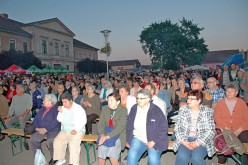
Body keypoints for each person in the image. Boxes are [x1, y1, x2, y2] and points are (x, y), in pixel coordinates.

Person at [126, 89, 168, 165]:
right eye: (137, 98)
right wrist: (129, 140)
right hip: (138, 138)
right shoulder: (134, 108)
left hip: (154, 140)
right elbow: (129, 126)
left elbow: (163, 128)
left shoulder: (156, 110)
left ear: (148, 99)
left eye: (141, 98)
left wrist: (154, 141)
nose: (139, 100)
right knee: (131, 159)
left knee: (153, 160)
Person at [173, 90, 215, 165]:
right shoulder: (183, 110)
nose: (188, 100)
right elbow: (177, 127)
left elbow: (211, 131)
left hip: (201, 139)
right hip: (185, 138)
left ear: (199, 101)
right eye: (188, 98)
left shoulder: (207, 112)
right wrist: (184, 142)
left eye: (191, 99)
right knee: (182, 156)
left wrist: (197, 143)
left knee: (197, 158)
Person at [214, 83, 248, 165]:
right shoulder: (220, 103)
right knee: (221, 142)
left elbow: (246, 118)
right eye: (227, 91)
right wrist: (226, 129)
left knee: (246, 138)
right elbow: (216, 117)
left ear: (236, 93)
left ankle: (244, 159)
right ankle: (221, 162)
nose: (229, 93)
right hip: (223, 128)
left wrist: (238, 130)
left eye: (231, 91)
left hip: (239, 129)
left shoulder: (242, 103)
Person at [53, 92, 87, 165]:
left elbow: (83, 121)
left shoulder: (78, 108)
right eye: (62, 102)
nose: (64, 104)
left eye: (65, 102)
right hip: (65, 130)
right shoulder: (63, 108)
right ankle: (61, 159)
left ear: (71, 101)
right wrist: (61, 112)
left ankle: (75, 163)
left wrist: (76, 129)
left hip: (78, 129)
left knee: (73, 144)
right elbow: (59, 119)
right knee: (57, 141)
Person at [97, 92, 127, 165]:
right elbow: (100, 124)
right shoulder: (105, 108)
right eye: (108, 100)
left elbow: (121, 127)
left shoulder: (123, 110)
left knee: (112, 152)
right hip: (106, 132)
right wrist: (102, 135)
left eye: (111, 100)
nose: (109, 102)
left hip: (118, 134)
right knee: (101, 149)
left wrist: (107, 137)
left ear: (118, 102)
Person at [30, 94, 61, 165]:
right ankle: (40, 156)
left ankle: (54, 158)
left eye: (44, 100)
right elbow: (35, 119)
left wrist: (46, 129)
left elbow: (56, 121)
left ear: (51, 101)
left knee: (51, 141)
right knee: (33, 140)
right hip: (40, 129)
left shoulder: (56, 109)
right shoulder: (42, 108)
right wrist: (37, 128)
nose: (43, 102)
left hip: (53, 129)